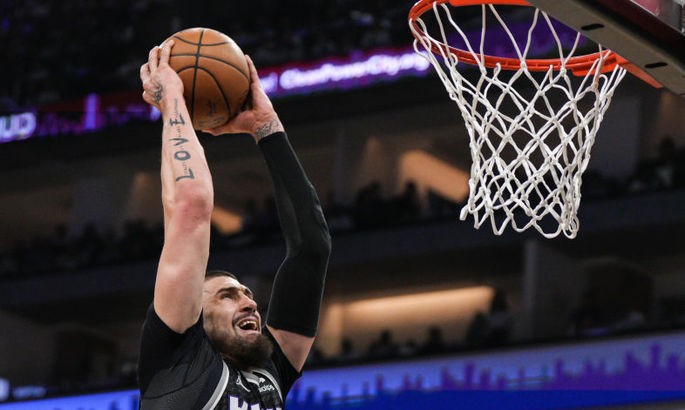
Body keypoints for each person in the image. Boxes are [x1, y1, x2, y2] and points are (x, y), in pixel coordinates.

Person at [136, 40, 331, 409]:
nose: (250, 304)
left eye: (246, 294)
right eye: (227, 296)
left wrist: (266, 127)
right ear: (194, 314)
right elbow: (191, 204)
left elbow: (312, 247)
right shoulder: (177, 357)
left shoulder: (270, 370)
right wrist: (172, 100)